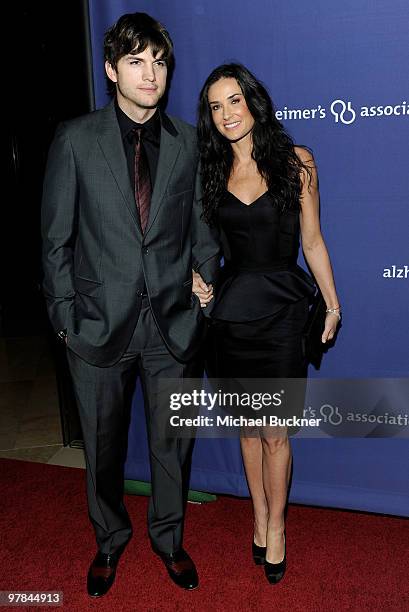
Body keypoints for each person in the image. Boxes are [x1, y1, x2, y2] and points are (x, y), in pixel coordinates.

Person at [41, 12, 219, 596]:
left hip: (172, 326)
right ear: (112, 71)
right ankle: (109, 542)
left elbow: (202, 232)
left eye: (159, 62)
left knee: (172, 447)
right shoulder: (75, 138)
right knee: (104, 452)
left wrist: (203, 286)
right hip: (96, 328)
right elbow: (55, 241)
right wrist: (67, 321)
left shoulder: (189, 142)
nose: (150, 74)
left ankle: (169, 541)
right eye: (136, 62)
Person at [195, 63, 340, 585]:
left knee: (276, 432)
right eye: (216, 106)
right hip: (232, 315)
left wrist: (333, 303)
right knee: (248, 433)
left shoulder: (296, 163)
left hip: (282, 311)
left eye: (235, 100)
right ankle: (257, 516)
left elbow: (313, 240)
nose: (228, 114)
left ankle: (277, 527)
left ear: (253, 102)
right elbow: (200, 246)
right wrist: (197, 276)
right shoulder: (209, 173)